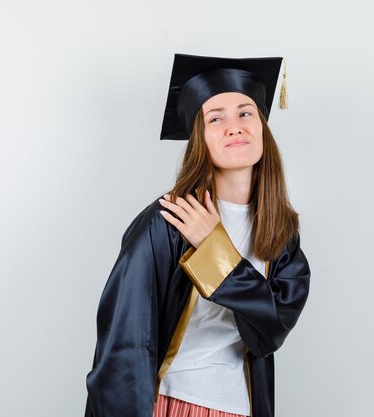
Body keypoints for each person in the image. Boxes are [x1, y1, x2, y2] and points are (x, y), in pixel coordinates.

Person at [84, 53, 311, 417]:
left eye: (245, 113)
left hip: (243, 406)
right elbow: (124, 343)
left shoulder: (281, 233)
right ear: (199, 138)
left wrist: (215, 248)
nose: (234, 127)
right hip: (170, 403)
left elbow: (269, 332)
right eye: (216, 118)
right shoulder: (166, 222)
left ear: (262, 127)